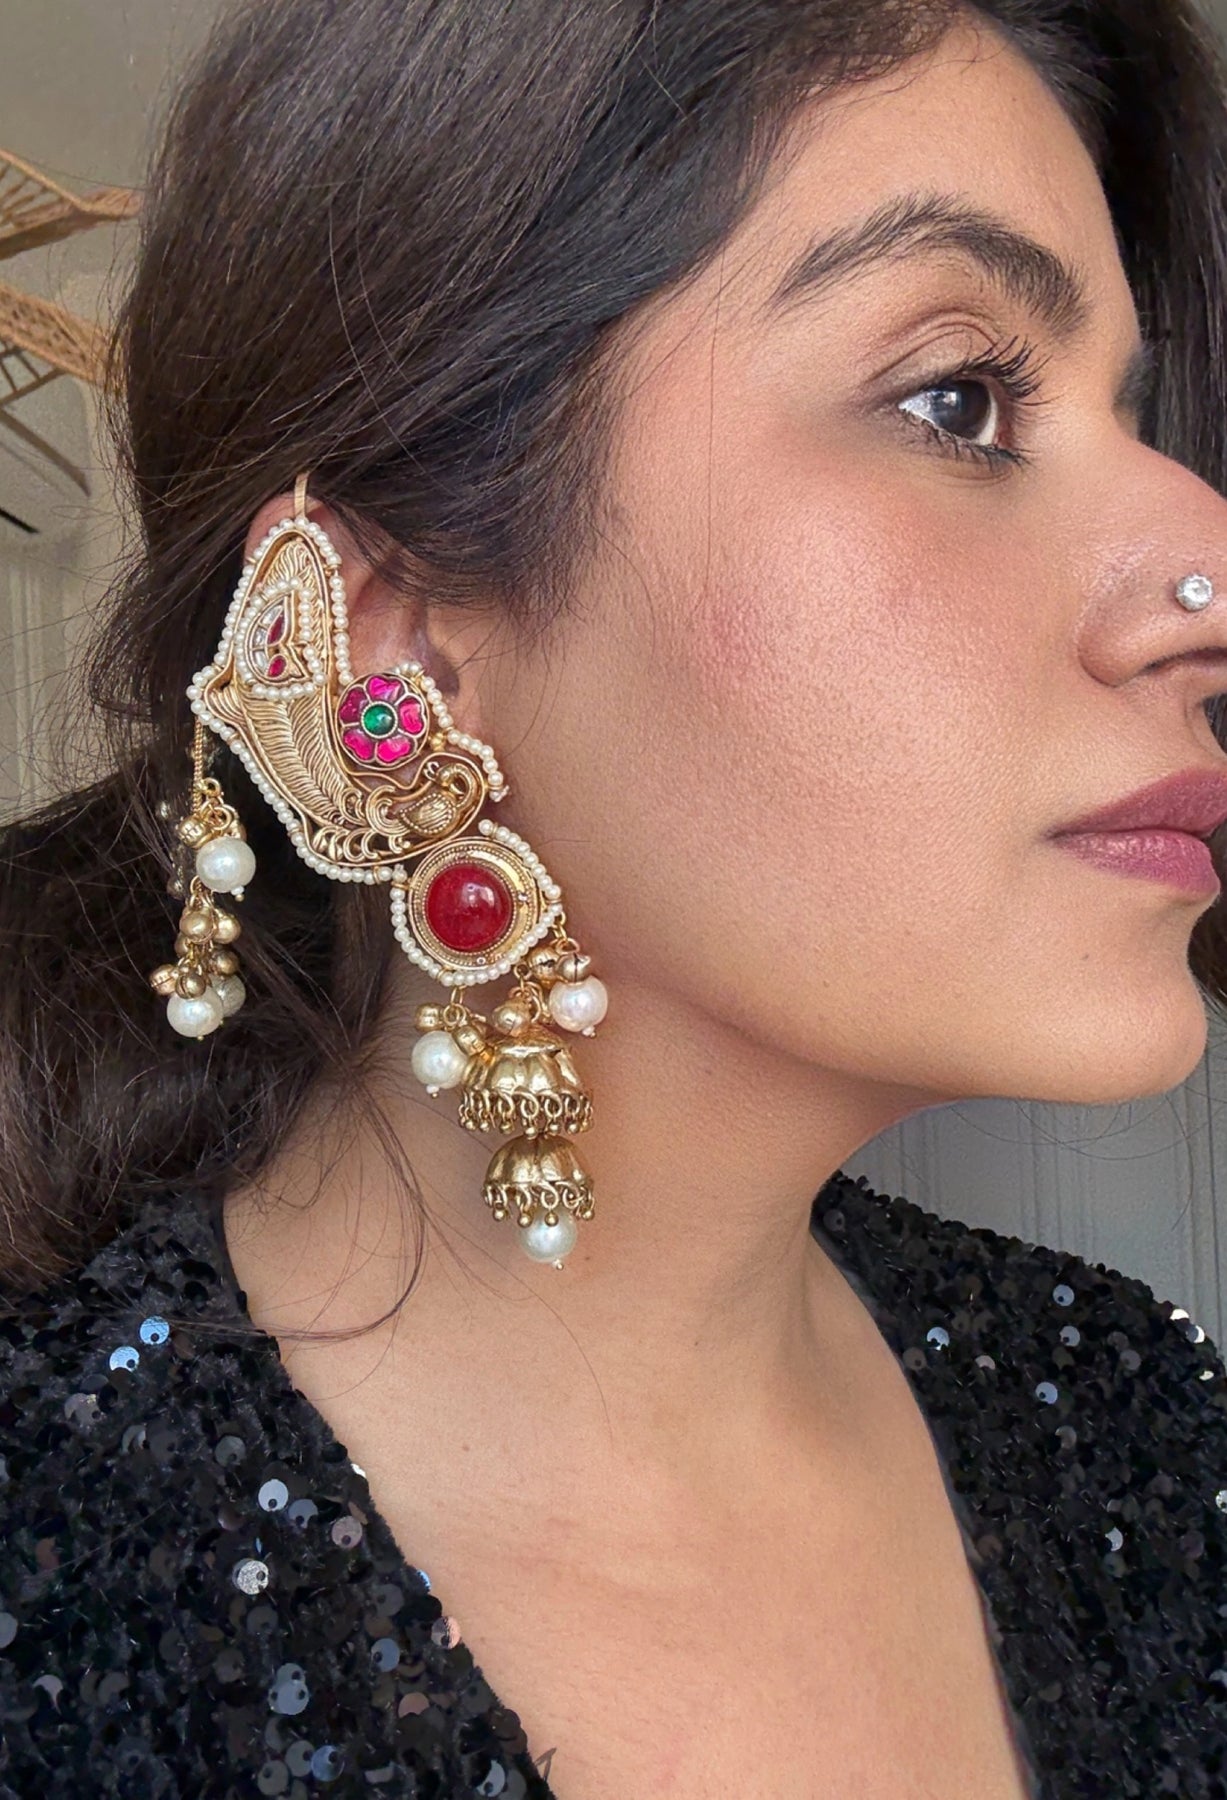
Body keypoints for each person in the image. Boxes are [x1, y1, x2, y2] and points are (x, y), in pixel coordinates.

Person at [2, 0, 1227, 1793]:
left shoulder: (1132, 1418)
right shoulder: (51, 1585)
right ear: (393, 645)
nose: (1205, 573)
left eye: (1134, 411)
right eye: (957, 400)